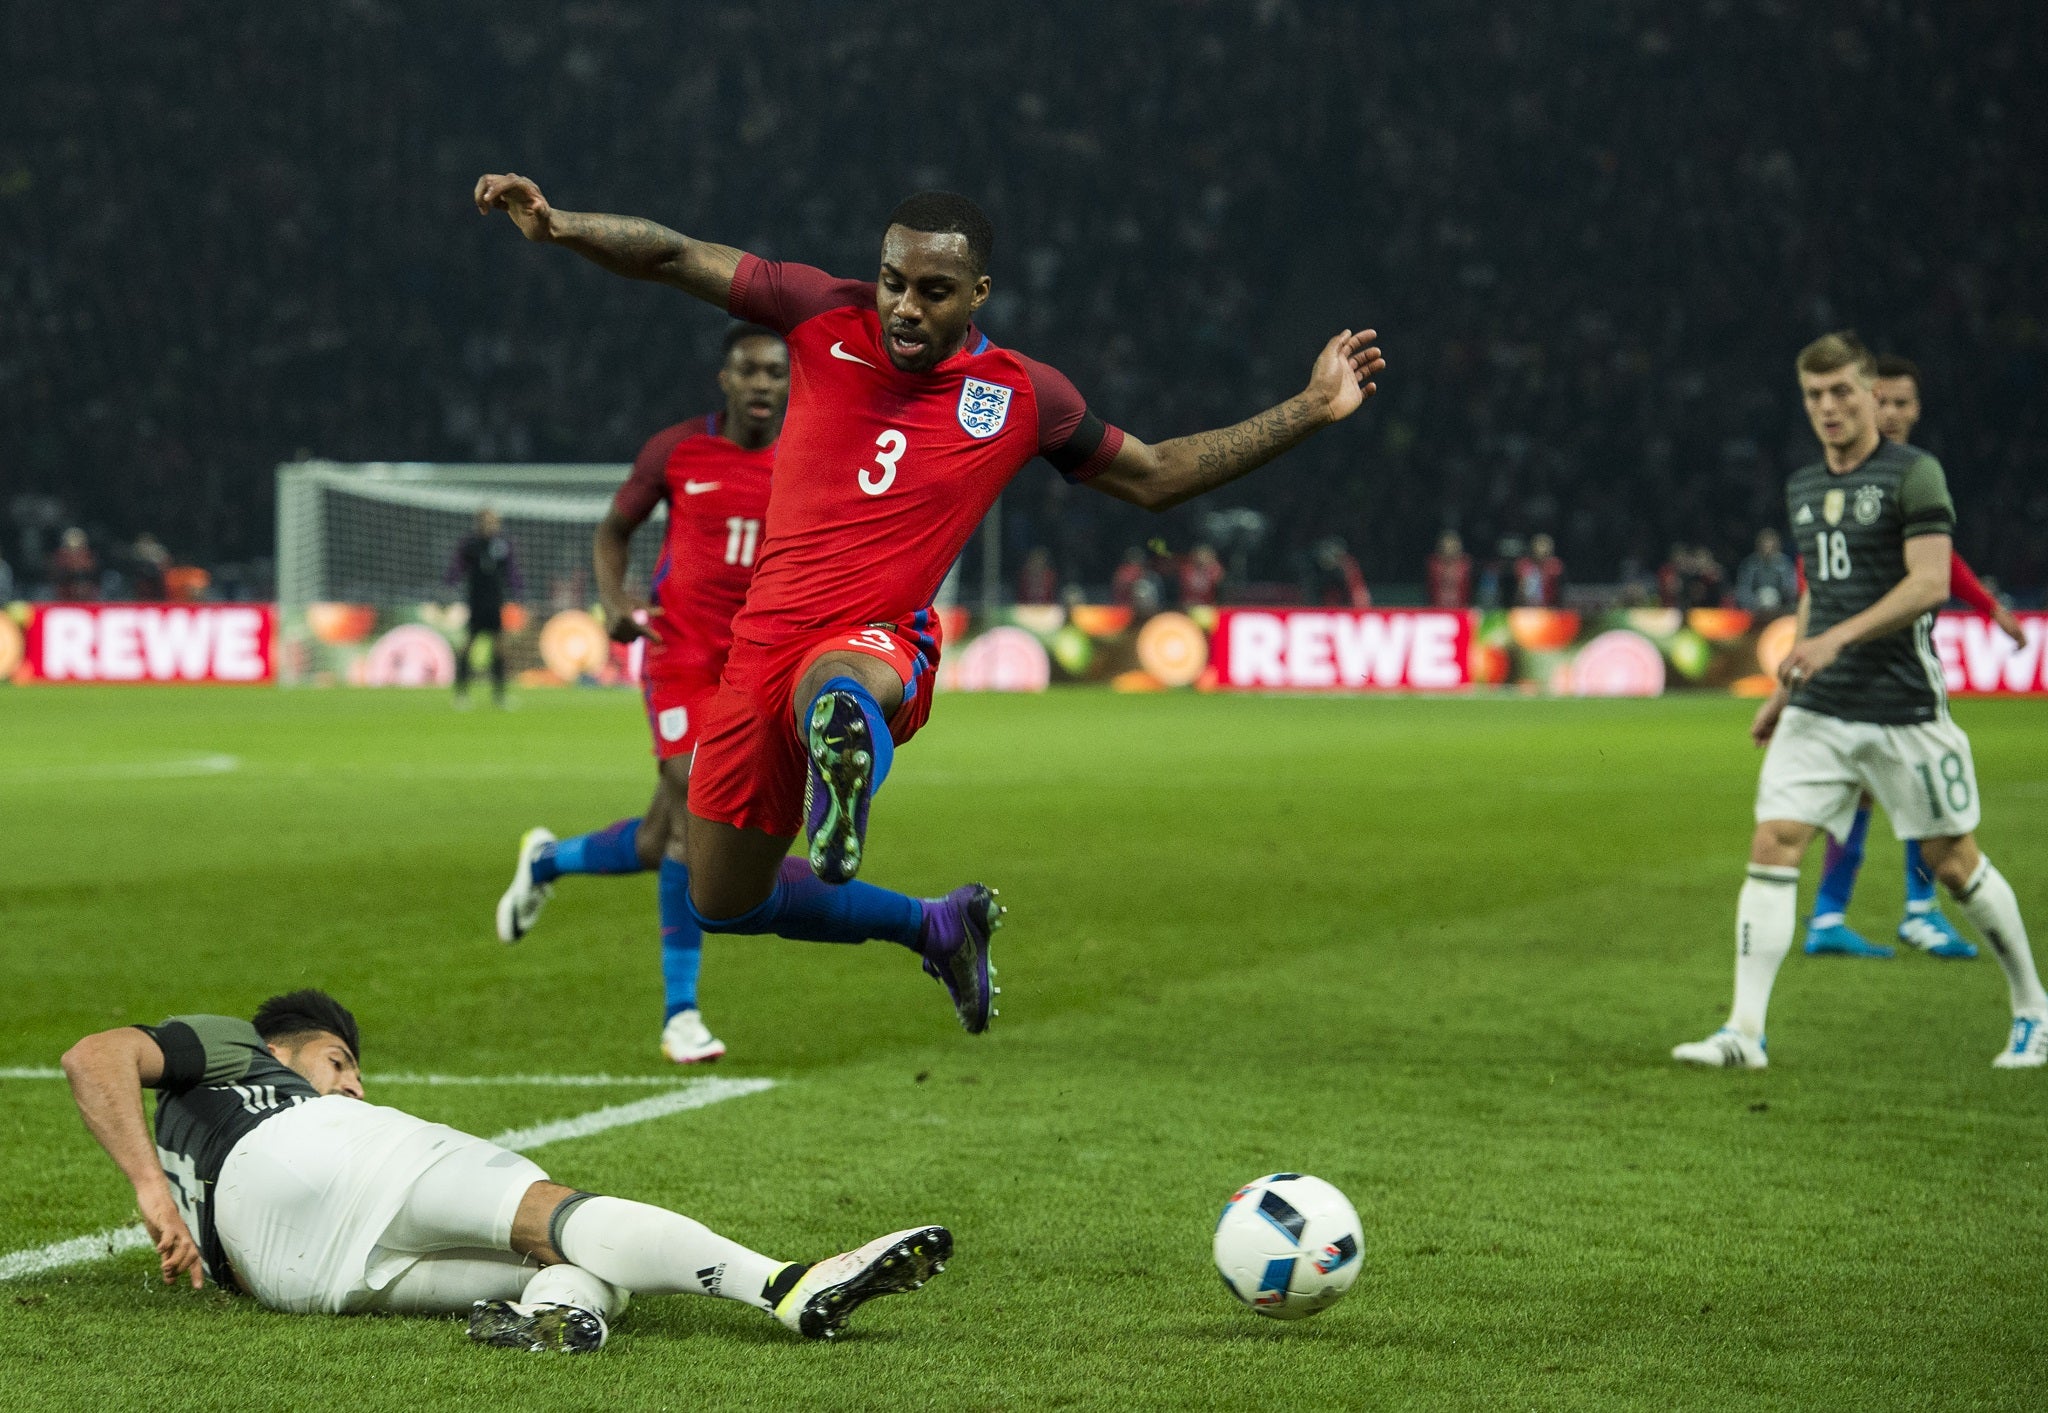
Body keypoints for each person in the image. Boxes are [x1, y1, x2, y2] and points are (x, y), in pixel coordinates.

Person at [475, 173, 1384, 1037]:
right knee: (724, 898)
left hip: (875, 641)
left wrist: (1309, 406)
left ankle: (846, 730)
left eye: (936, 290)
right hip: (758, 651)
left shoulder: (1024, 395)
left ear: (979, 292)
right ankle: (939, 927)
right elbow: (674, 255)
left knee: (835, 680)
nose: (906, 306)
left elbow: (1155, 476)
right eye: (893, 281)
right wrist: (561, 227)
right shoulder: (820, 310)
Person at [59, 989, 949, 1351]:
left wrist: (153, 1183)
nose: (356, 1086)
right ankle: (787, 1284)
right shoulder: (241, 1046)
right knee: (553, 1212)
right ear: (292, 1046)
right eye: (343, 1065)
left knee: (585, 1273)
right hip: (310, 1160)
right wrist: (143, 1185)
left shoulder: (187, 1115)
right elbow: (93, 1053)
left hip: (288, 1276)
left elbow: (103, 1078)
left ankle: (556, 1317)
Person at [1673, 333, 2045, 1071]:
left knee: (1952, 860)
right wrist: (1785, 692)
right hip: (1821, 709)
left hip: (1902, 706)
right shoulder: (1805, 487)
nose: (1830, 407)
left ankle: (2034, 1006)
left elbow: (1930, 583)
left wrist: (1837, 640)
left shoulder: (1915, 474)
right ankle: (1745, 1031)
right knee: (1774, 844)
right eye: (1815, 395)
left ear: (1873, 392)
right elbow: (1817, 593)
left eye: (1843, 391)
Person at [497, 325, 791, 1066]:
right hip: (679, 654)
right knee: (699, 808)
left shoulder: (809, 460)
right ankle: (681, 1013)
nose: (761, 384)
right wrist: (613, 600)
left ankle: (546, 862)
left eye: (775, 373)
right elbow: (612, 531)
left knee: (663, 840)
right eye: (748, 370)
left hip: (753, 666)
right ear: (723, 377)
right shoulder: (676, 451)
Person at [1797, 352, 2028, 961]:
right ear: (1865, 399)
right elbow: (1819, 558)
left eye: (1903, 403)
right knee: (1903, 786)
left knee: (1869, 791)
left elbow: (1939, 564)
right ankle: (1913, 911)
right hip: (1872, 659)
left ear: (1918, 409)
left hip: (1887, 650)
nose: (1892, 413)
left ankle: (1836, 913)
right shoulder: (1856, 475)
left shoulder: (1906, 475)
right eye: (1883, 401)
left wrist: (1989, 608)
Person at [445, 509, 524, 708]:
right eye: (489, 521)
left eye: (495, 521)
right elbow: (457, 568)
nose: (492, 525)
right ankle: (461, 694)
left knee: (500, 648)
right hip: (476, 602)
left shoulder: (502, 544)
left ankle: (499, 696)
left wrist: (519, 594)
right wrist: (448, 586)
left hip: (495, 602)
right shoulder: (470, 544)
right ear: (480, 522)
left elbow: (511, 571)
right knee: (467, 646)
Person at [1734, 529, 1798, 614]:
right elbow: (1743, 589)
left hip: (1781, 608)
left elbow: (1792, 588)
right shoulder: (1750, 564)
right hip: (1755, 609)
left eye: (1770, 545)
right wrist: (1754, 604)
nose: (1767, 549)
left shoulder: (1784, 563)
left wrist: (1781, 600)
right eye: (1764, 545)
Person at [1305, 535, 1370, 607]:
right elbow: (1310, 594)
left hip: (1345, 605)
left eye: (1335, 555)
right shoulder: (1315, 570)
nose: (1329, 558)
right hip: (1323, 605)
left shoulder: (1348, 565)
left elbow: (1359, 594)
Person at [1513, 532, 1564, 608]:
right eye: (1539, 545)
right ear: (1533, 547)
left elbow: (1558, 591)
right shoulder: (1523, 564)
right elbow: (1519, 589)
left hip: (1549, 608)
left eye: (1545, 546)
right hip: (1525, 607)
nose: (1541, 550)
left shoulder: (1555, 566)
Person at [1425, 531, 1470, 609]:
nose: (1450, 550)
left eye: (1453, 546)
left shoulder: (1465, 566)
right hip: (1436, 609)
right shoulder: (1434, 565)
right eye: (1446, 547)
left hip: (1461, 610)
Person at [52, 526, 98, 600]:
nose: (75, 556)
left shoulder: (87, 555)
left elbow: (90, 570)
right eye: (71, 550)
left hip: (87, 591)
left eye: (78, 550)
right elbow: (57, 574)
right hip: (64, 592)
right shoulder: (61, 556)